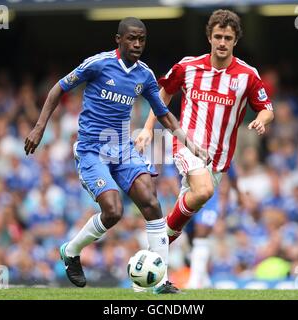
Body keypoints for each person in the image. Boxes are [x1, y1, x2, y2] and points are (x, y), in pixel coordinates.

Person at [24, 17, 207, 294]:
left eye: (141, 39)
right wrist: (39, 127)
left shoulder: (144, 75)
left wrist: (190, 144)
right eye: (131, 38)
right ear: (118, 39)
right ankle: (71, 250)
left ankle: (160, 282)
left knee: (151, 201)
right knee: (113, 211)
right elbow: (58, 88)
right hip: (91, 150)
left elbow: (163, 114)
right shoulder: (98, 64)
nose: (137, 44)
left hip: (123, 149)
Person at [135, 9, 274, 275]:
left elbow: (267, 107)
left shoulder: (248, 75)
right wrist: (148, 128)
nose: (222, 42)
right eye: (218, 36)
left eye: (228, 38)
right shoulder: (188, 67)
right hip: (186, 143)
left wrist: (262, 120)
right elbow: (161, 95)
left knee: (186, 213)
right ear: (209, 37)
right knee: (204, 191)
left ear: (235, 41)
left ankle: (152, 254)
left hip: (219, 160)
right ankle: (156, 246)